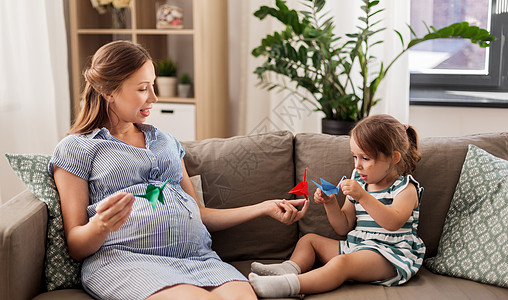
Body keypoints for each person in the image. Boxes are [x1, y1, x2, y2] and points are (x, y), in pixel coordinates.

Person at [49, 40, 309, 300]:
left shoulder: (165, 141)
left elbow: (200, 214)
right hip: (126, 260)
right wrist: (101, 225)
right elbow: (75, 245)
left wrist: (263, 208)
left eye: (153, 85)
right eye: (142, 88)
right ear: (109, 91)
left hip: (198, 258)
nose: (154, 97)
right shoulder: (77, 148)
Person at [248, 114, 426, 298]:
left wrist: (362, 196)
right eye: (354, 157)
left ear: (393, 158)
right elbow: (343, 226)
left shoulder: (405, 188)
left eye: (365, 158)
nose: (357, 165)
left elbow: (393, 222)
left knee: (341, 263)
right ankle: (287, 269)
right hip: (356, 247)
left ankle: (288, 285)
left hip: (390, 256)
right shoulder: (359, 182)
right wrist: (331, 203)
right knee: (309, 240)